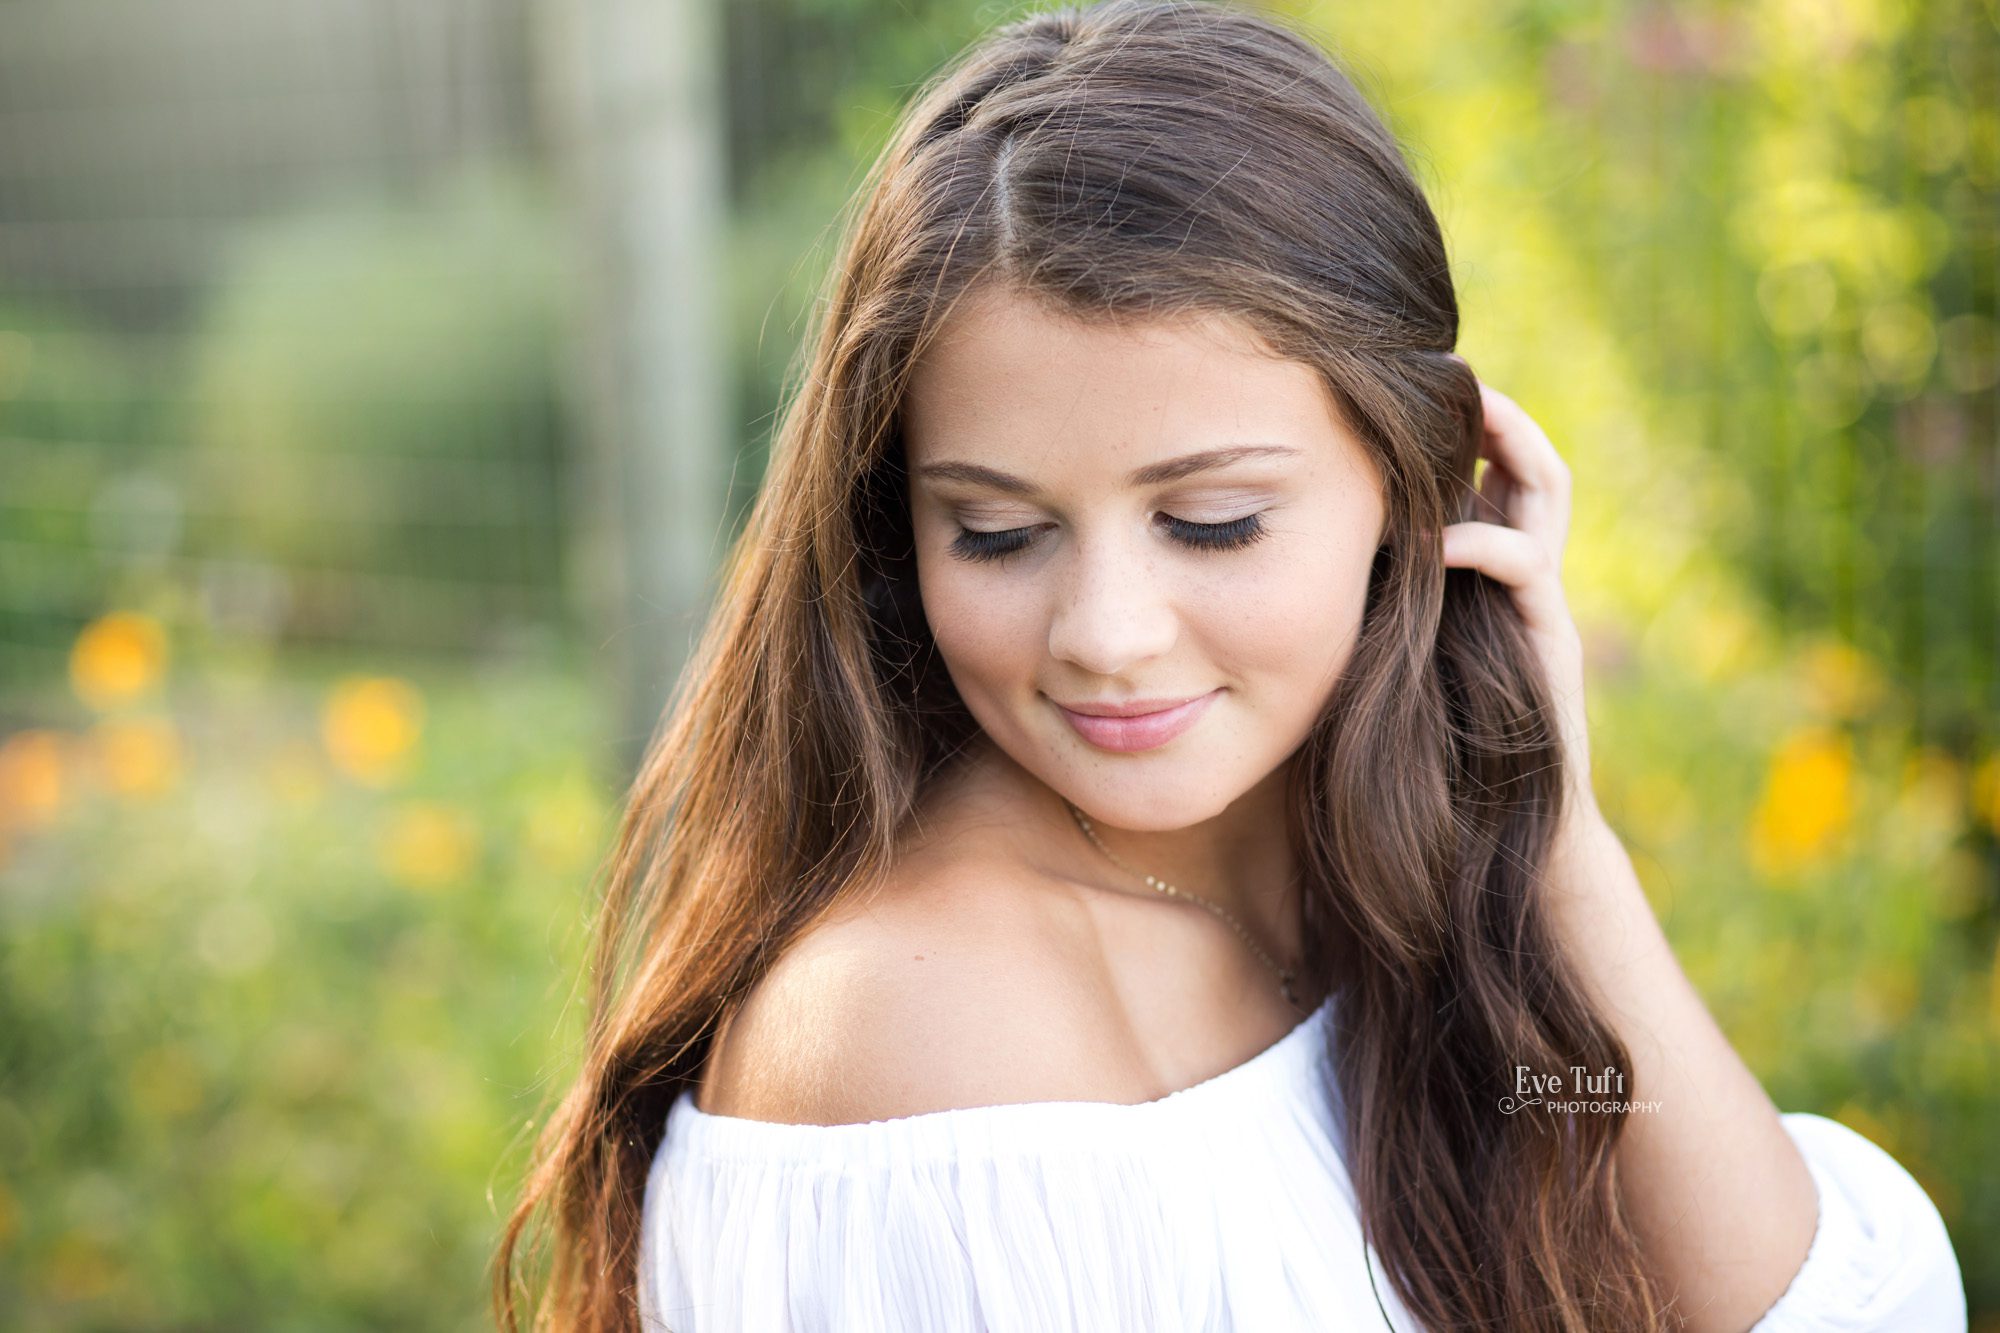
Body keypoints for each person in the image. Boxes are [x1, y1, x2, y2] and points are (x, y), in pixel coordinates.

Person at [492, 2, 1969, 1330]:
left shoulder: (1388, 869)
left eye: (1211, 521)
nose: (1106, 634)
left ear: (1419, 476)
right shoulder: (928, 1036)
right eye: (998, 533)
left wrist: (1557, 831)